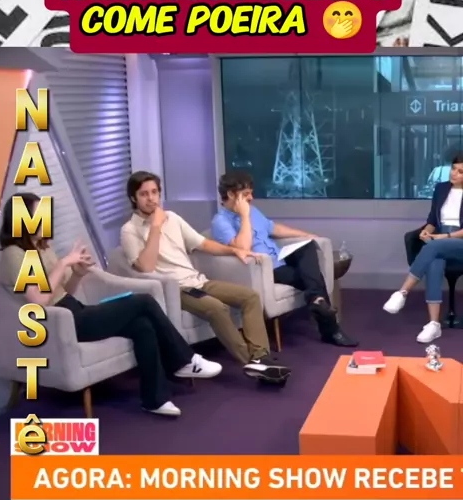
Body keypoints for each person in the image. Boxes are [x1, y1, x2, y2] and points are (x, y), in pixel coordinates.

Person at [0, 193, 223, 418]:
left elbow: (66, 290)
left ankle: (155, 399)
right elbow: (38, 300)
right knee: (143, 301)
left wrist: (77, 273)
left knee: (142, 326)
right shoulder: (13, 254)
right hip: (57, 324)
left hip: (73, 309)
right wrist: (64, 262)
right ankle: (184, 360)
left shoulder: (42, 247)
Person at [120, 172, 291, 385]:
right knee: (216, 308)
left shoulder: (172, 218)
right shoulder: (129, 230)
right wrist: (155, 227)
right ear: (133, 198)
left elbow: (203, 243)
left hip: (197, 280)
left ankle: (260, 357)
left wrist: (234, 250)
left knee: (250, 297)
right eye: (144, 194)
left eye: (154, 192)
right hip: (174, 289)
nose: (151, 198)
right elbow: (146, 267)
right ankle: (251, 362)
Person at [211, 171, 358, 348]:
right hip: (265, 268)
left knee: (307, 246)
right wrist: (244, 217)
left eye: (251, 193)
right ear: (230, 194)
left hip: (279, 256)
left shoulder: (253, 211)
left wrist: (308, 235)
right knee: (313, 277)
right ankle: (330, 328)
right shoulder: (220, 221)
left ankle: (316, 300)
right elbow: (243, 248)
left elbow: (274, 228)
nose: (251, 198)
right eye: (246, 194)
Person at [384, 153, 463, 343]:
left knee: (433, 248)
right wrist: (426, 232)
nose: (454, 173)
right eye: (454, 169)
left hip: (458, 240)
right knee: (434, 262)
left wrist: (443, 237)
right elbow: (432, 220)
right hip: (441, 240)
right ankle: (434, 324)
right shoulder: (442, 188)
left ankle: (402, 292)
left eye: (461, 172)